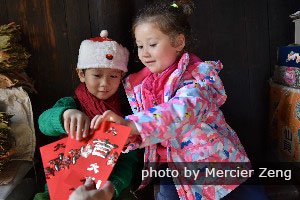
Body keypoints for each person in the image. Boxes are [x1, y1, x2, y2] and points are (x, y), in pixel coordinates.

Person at [33, 30, 138, 200]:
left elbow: (129, 161)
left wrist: (113, 187)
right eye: (97, 75)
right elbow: (43, 123)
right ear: (81, 74)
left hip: (106, 189)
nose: (105, 83)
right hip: (60, 185)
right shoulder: (72, 104)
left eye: (113, 75)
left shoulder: (123, 115)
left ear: (121, 77)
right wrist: (64, 116)